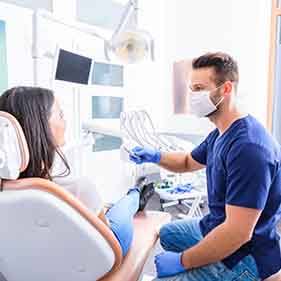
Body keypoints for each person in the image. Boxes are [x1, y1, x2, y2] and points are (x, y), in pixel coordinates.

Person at [130, 52, 281, 281]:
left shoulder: (249, 148)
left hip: (244, 255)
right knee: (167, 234)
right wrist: (155, 156)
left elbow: (237, 233)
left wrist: (182, 261)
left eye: (199, 88)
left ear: (226, 89)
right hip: (215, 225)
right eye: (192, 89)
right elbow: (188, 162)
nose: (192, 96)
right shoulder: (220, 133)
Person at [0, 86, 155, 257]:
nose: (65, 122)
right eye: (60, 114)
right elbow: (108, 242)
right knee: (124, 209)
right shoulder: (78, 186)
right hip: (100, 259)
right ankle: (135, 195)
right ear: (41, 126)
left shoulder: (8, 190)